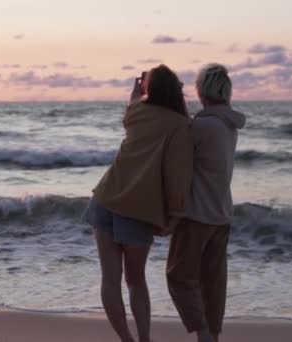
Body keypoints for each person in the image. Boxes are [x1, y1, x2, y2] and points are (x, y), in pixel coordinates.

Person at [84, 64, 194, 342]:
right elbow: (176, 175)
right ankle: (144, 340)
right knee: (135, 281)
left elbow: (130, 111)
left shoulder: (135, 112)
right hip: (138, 211)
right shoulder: (180, 125)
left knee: (110, 280)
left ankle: (127, 340)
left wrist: (135, 93)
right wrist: (175, 215)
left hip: (105, 199)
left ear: (148, 90)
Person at [166, 64, 246, 342]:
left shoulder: (202, 126)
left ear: (202, 91)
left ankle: (203, 333)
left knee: (178, 276)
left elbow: (176, 156)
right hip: (222, 213)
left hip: (197, 214)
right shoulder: (228, 124)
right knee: (212, 284)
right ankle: (212, 334)